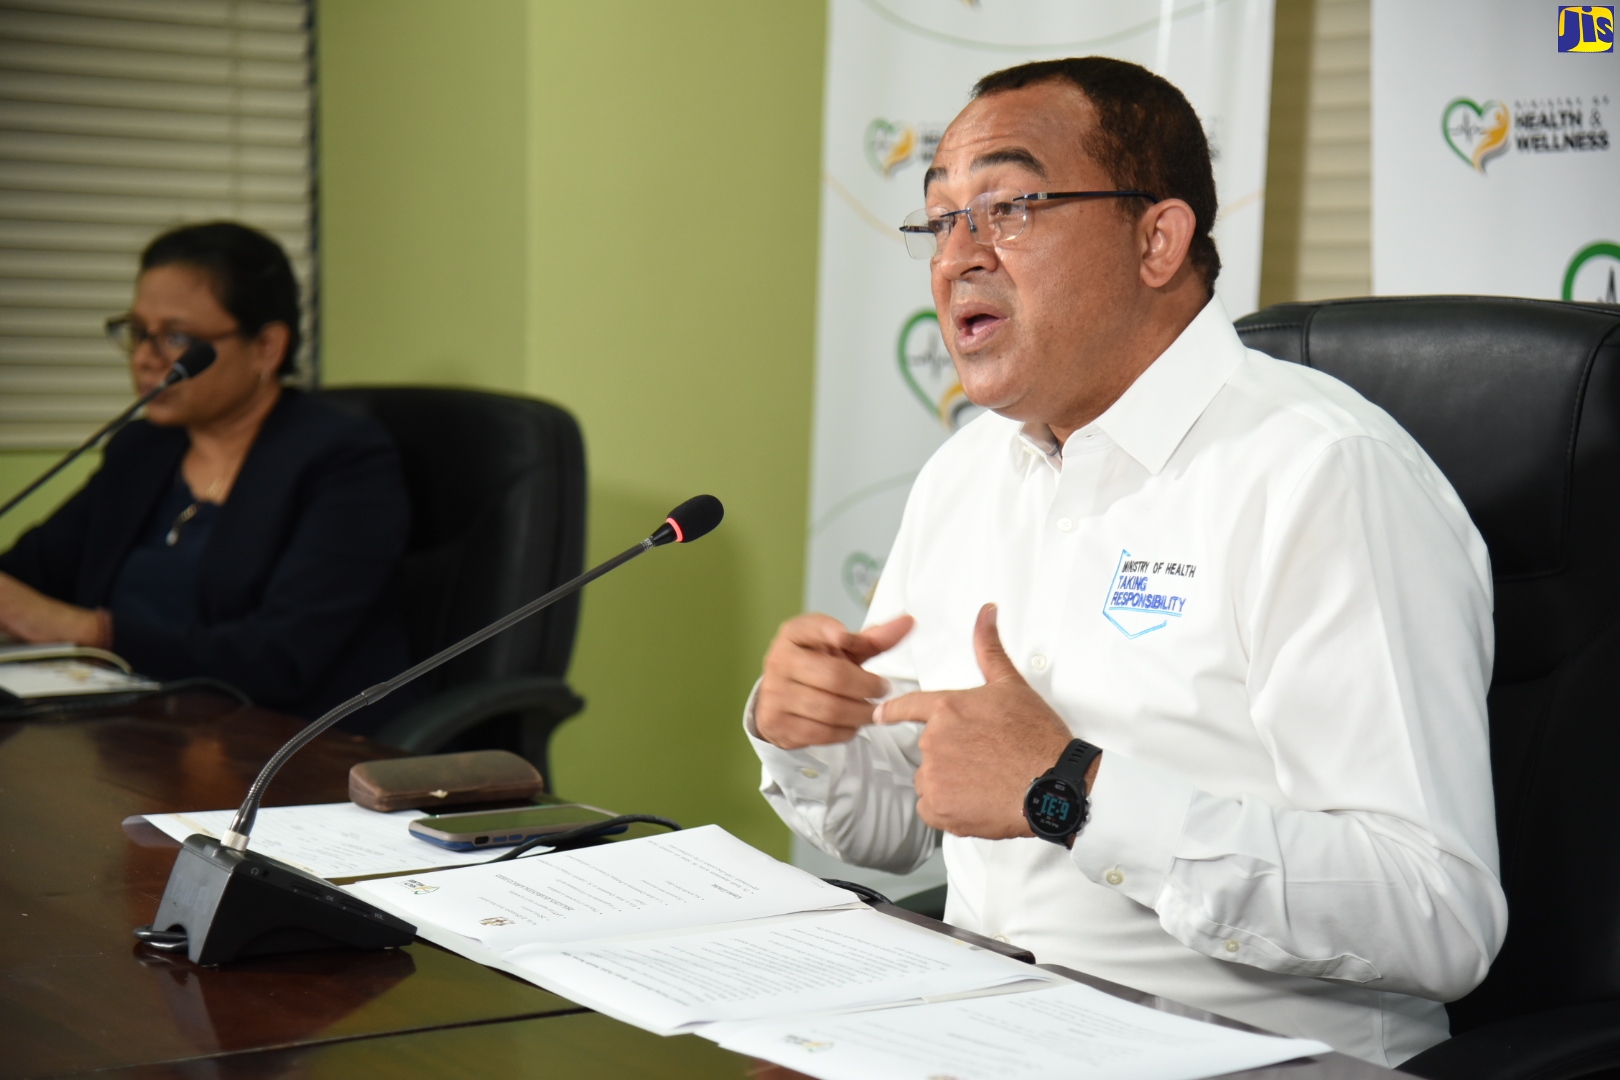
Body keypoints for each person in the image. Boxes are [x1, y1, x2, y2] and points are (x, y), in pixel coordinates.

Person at [747, 57, 1506, 1066]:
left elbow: (1438, 914)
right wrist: (812, 734)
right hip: (983, 1032)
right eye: (941, 219)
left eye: (1009, 207)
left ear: (1158, 238)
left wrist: (1070, 791)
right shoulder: (966, 475)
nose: (957, 257)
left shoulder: (1322, 475)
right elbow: (909, 824)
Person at [0, 221, 414, 729]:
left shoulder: (343, 460)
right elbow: (28, 575)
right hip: (124, 729)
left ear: (266, 347)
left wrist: (91, 631)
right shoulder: (142, 449)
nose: (148, 360)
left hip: (269, 744)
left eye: (177, 337)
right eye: (138, 333)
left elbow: (280, 658)